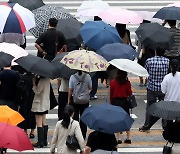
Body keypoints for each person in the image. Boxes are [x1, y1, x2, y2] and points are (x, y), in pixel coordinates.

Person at [139, 47, 169, 132]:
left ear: (155, 52)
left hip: (151, 87)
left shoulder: (149, 61)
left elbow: (146, 72)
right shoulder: (167, 61)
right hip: (163, 88)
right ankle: (165, 126)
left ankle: (147, 125)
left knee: (149, 107)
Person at [110, 69, 132, 144]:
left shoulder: (113, 82)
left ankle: (119, 138)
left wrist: (111, 102)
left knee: (117, 119)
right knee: (126, 119)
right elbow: (130, 93)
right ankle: (128, 137)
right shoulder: (127, 82)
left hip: (115, 101)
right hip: (124, 102)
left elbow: (111, 94)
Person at [68, 70, 92, 139]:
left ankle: (75, 135)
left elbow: (70, 89)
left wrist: (69, 99)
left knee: (75, 118)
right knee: (84, 118)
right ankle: (83, 135)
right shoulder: (87, 76)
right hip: (85, 100)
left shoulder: (72, 77)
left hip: (75, 100)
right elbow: (90, 87)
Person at [31, 75, 50, 148]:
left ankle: (40, 142)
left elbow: (37, 91)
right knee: (44, 122)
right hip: (45, 102)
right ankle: (44, 140)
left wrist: (34, 84)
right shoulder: (47, 78)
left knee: (38, 122)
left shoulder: (42, 80)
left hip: (39, 103)